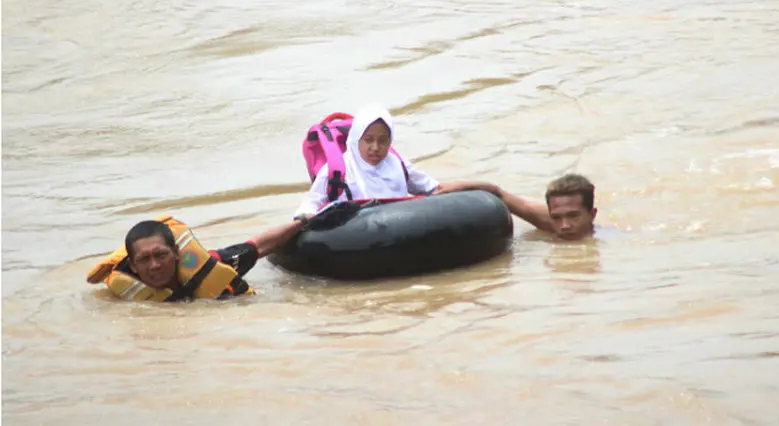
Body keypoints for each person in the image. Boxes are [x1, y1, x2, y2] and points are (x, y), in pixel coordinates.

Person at [294, 104, 489, 217]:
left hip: (400, 225)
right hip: (353, 233)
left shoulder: (398, 164)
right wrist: (307, 217)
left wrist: (474, 191)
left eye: (383, 140)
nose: (375, 148)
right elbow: (309, 205)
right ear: (355, 140)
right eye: (368, 140)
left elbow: (432, 188)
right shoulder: (336, 171)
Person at [86, 215, 307, 302]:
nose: (154, 265)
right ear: (133, 266)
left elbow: (257, 246)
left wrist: (302, 223)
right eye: (144, 260)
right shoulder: (118, 296)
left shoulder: (210, 266)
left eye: (161, 255)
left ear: (175, 253)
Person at [441, 174, 598, 241]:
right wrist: (460, 186)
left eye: (573, 216)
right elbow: (499, 194)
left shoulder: (608, 241)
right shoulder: (547, 223)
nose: (564, 226)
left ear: (592, 214)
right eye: (556, 217)